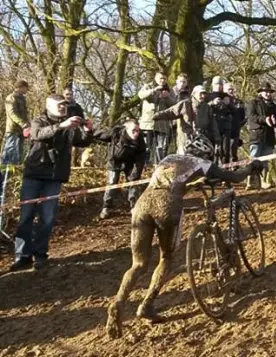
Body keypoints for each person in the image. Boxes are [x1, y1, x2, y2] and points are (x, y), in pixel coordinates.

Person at [105, 135, 264, 339]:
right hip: (167, 205)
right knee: (167, 258)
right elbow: (233, 178)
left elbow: (174, 179)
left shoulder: (169, 158)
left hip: (142, 204)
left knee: (138, 264)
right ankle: (147, 304)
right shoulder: (203, 163)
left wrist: (192, 184)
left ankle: (118, 301)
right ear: (206, 153)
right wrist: (251, 167)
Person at [10, 94, 94, 272]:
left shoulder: (70, 123)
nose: (63, 108)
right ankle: (22, 256)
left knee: (47, 217)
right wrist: (61, 126)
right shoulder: (38, 120)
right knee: (26, 216)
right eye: (59, 105)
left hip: (55, 176)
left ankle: (40, 254)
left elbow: (82, 142)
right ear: (49, 106)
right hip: (34, 173)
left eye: (65, 105)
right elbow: (38, 134)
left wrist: (87, 130)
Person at [95, 118, 146, 219]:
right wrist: (90, 130)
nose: (136, 133)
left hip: (131, 162)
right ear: (126, 129)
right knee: (112, 182)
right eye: (133, 131)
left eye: (138, 130)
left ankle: (133, 206)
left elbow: (141, 156)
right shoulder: (116, 133)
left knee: (133, 182)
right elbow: (100, 135)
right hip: (115, 161)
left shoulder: (140, 139)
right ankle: (106, 207)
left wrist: (136, 171)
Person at [152, 85, 220, 158]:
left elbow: (213, 125)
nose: (203, 96)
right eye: (201, 94)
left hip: (201, 141)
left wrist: (217, 139)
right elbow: (171, 112)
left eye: (204, 94)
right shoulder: (184, 104)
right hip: (185, 140)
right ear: (194, 94)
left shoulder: (207, 108)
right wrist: (157, 116)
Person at [245, 82, 276, 189]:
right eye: (265, 91)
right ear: (260, 92)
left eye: (269, 92)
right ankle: (251, 182)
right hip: (257, 136)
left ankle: (264, 181)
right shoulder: (253, 103)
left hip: (269, 138)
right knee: (254, 159)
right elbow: (251, 117)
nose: (267, 94)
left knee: (265, 161)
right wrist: (264, 119)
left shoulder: (274, 106)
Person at [138, 72, 175, 164]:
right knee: (146, 147)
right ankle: (144, 166)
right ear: (155, 78)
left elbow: (175, 105)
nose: (162, 80)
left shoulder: (170, 90)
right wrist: (153, 90)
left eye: (164, 79)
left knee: (161, 147)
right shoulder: (148, 86)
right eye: (160, 78)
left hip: (163, 124)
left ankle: (158, 166)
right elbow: (140, 95)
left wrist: (167, 97)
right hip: (148, 123)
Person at [3, 80, 30, 165]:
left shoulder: (22, 98)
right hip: (13, 129)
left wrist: (28, 123)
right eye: (26, 88)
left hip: (21, 130)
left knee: (19, 152)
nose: (27, 90)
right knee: (10, 150)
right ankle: (4, 172)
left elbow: (24, 113)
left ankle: (15, 171)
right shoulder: (11, 97)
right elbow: (12, 113)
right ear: (20, 87)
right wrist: (22, 123)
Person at [208, 76, 232, 164]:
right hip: (213, 126)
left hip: (225, 126)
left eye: (220, 84)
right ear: (213, 85)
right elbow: (203, 109)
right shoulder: (208, 96)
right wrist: (212, 103)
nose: (218, 86)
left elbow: (235, 112)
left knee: (225, 149)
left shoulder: (227, 97)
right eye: (216, 84)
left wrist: (228, 104)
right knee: (211, 148)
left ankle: (226, 167)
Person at [224, 82, 246, 164]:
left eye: (232, 89)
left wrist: (238, 125)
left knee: (234, 154)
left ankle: (235, 169)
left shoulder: (239, 102)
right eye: (229, 89)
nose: (231, 91)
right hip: (224, 131)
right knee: (225, 153)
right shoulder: (222, 102)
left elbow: (243, 117)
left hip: (235, 131)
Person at [64, 86, 86, 167]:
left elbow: (82, 118)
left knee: (74, 148)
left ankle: (73, 165)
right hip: (63, 129)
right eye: (67, 94)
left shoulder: (77, 106)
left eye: (70, 94)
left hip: (75, 129)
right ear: (64, 95)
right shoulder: (61, 105)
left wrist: (82, 122)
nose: (69, 96)